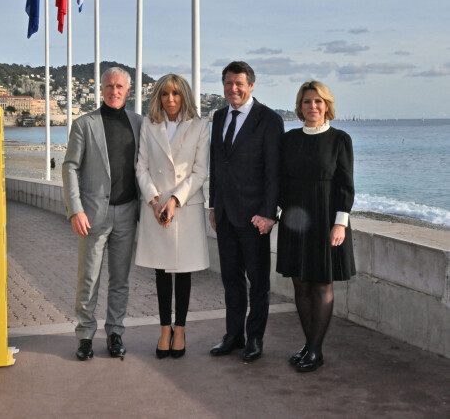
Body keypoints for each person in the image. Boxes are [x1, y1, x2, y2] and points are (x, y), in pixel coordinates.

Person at [62, 67, 143, 361]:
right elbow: (70, 166)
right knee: (89, 279)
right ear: (101, 89)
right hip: (94, 215)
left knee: (120, 279)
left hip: (128, 212)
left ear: (128, 90)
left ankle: (115, 332)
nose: (114, 91)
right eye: (109, 86)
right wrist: (76, 210)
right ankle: (85, 335)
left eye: (120, 86)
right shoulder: (84, 124)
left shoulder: (139, 123)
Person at [276, 80, 356, 372]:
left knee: (322, 283)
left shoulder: (340, 139)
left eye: (318, 102)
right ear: (300, 106)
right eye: (307, 102)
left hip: (325, 219)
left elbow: (346, 185)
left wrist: (340, 224)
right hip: (295, 219)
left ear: (327, 106)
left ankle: (315, 350)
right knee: (300, 282)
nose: (313, 107)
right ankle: (309, 344)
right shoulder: (290, 139)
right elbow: (281, 180)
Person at [208, 61, 284, 362]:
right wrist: (214, 205)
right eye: (228, 83)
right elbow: (217, 166)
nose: (233, 89)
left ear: (251, 85)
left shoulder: (269, 120)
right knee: (231, 280)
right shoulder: (218, 117)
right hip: (225, 215)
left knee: (258, 283)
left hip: (255, 217)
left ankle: (255, 338)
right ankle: (232, 335)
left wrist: (269, 214)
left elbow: (274, 172)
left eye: (239, 83)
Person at [135, 74, 210, 359]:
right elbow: (140, 167)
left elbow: (200, 171)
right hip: (156, 207)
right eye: (165, 94)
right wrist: (155, 201)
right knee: (161, 271)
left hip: (185, 207)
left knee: (183, 272)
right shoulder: (148, 125)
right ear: (158, 97)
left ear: (185, 96)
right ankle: (164, 328)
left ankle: (180, 329)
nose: (170, 99)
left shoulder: (201, 126)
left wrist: (175, 200)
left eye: (176, 94)